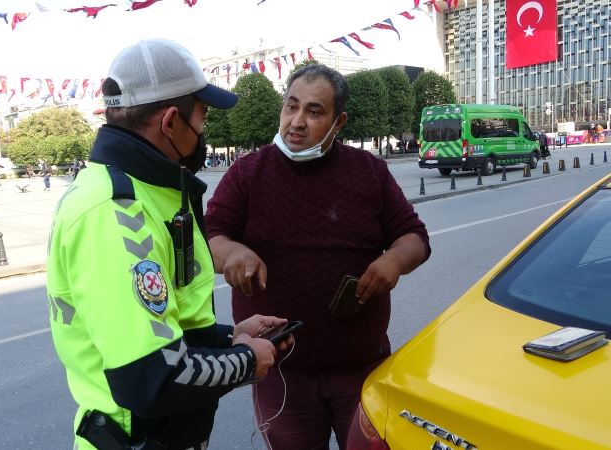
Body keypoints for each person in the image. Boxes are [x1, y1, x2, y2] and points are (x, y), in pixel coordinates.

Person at [46, 39, 291, 450]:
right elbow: (152, 377)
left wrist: (228, 338)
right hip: (132, 438)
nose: (203, 134)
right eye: (202, 120)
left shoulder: (146, 192)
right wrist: (248, 360)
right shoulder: (115, 212)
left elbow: (164, 326)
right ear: (171, 122)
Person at [204, 64, 432, 450]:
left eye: (314, 111)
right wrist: (232, 253)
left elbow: (415, 237)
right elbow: (209, 237)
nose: (297, 122)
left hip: (362, 367)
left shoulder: (369, 172)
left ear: (338, 121)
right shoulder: (248, 173)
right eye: (291, 107)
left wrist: (393, 261)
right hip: (279, 371)